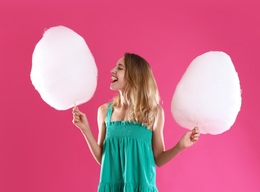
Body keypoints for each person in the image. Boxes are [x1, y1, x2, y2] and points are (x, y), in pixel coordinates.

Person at [72, 52, 200, 191]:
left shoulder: (154, 113)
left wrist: (180, 146)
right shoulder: (104, 112)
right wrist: (85, 129)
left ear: (134, 76)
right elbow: (103, 159)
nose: (112, 71)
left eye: (119, 68)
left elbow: (159, 158)